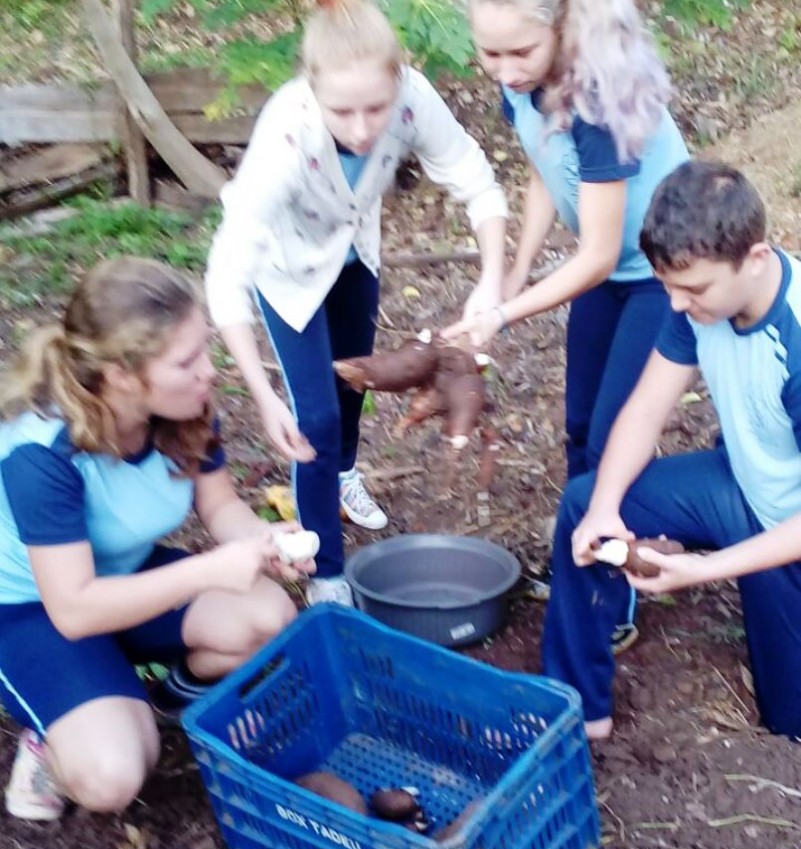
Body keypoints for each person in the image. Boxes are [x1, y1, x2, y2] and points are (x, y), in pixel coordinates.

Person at [205, 0, 508, 608]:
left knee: (353, 388)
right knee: (312, 417)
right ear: (312, 89)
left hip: (355, 256)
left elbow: (476, 181)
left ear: (398, 81)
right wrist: (263, 399)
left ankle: (342, 475)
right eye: (343, 111)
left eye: (377, 107)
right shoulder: (286, 137)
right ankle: (327, 572)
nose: (365, 127)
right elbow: (225, 277)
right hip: (288, 273)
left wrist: (492, 282)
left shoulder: (414, 100)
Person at [0, 257, 315, 821]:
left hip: (126, 575)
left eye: (205, 349)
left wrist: (262, 539)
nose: (209, 371)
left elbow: (218, 505)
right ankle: (50, 741)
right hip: (31, 609)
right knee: (113, 777)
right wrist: (210, 570)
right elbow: (72, 609)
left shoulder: (183, 407)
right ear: (121, 374)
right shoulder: (41, 454)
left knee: (267, 617)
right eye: (187, 361)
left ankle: (159, 697)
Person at [541, 160, 801, 741]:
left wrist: (705, 569)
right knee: (584, 504)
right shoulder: (700, 302)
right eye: (668, 288)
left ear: (754, 258)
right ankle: (581, 711)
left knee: (790, 724)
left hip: (792, 533)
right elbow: (645, 410)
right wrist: (608, 506)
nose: (678, 305)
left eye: (693, 289)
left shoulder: (797, 339)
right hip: (740, 487)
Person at [447, 0, 689, 482]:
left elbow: (596, 257)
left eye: (521, 51)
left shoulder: (595, 100)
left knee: (614, 437)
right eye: (490, 54)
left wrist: (500, 316)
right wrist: (514, 274)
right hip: (611, 269)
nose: (506, 70)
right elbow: (546, 172)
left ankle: (623, 543)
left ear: (560, 28)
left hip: (666, 274)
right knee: (579, 425)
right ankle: (582, 545)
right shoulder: (520, 88)